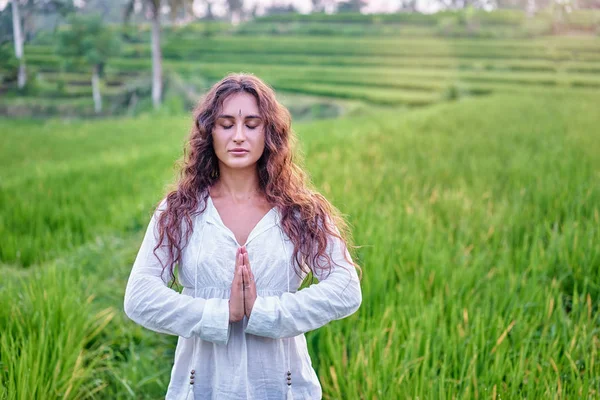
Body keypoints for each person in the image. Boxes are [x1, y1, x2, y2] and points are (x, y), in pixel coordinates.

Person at [123, 73, 363, 400]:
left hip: (284, 386)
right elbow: (140, 296)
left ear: (270, 133)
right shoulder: (180, 209)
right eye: (226, 124)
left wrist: (264, 312)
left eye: (251, 124)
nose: (239, 136)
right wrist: (221, 314)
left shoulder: (301, 209)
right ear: (209, 132)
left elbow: (346, 288)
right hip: (202, 386)